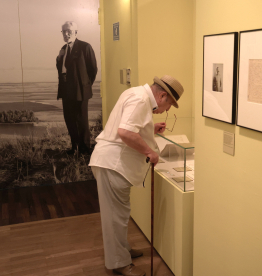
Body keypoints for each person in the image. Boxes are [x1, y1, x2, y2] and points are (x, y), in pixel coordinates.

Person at [89, 75, 184, 276]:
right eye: (169, 105)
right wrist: (150, 152)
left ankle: (122, 252)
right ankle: (119, 263)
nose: (166, 110)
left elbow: (130, 127)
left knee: (120, 215)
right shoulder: (141, 100)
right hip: (113, 164)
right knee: (115, 217)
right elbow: (125, 132)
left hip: (112, 164)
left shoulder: (135, 93)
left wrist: (151, 128)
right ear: (162, 95)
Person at [56, 21, 98, 155]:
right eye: (64, 31)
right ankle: (74, 148)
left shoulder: (85, 47)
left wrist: (85, 85)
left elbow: (93, 69)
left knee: (81, 120)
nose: (66, 34)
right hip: (66, 90)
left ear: (75, 32)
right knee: (69, 119)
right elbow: (62, 69)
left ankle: (85, 149)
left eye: (69, 31)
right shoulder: (63, 49)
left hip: (80, 91)